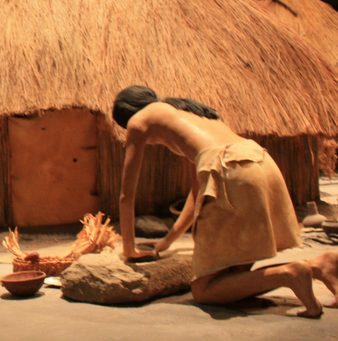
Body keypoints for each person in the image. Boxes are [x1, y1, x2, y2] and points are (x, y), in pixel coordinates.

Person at [114, 85, 338, 318]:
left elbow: (126, 195)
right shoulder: (188, 111)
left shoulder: (138, 121)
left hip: (231, 171)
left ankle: (290, 273)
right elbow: (198, 189)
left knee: (205, 291)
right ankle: (318, 266)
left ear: (127, 113)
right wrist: (167, 241)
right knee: (230, 279)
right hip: (260, 161)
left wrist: (130, 249)